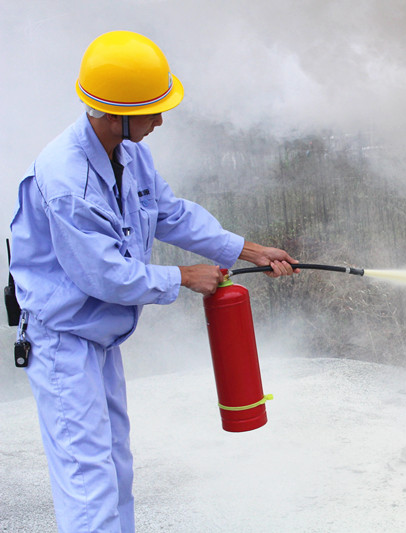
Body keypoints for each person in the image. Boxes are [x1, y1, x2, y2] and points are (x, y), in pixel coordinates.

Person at [9, 30, 298, 532]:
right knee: (87, 480)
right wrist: (183, 276)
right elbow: (105, 276)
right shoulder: (65, 181)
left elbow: (169, 213)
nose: (161, 120)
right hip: (63, 341)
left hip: (97, 338)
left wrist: (247, 248)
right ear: (115, 111)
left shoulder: (128, 153)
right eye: (152, 110)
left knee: (116, 469)